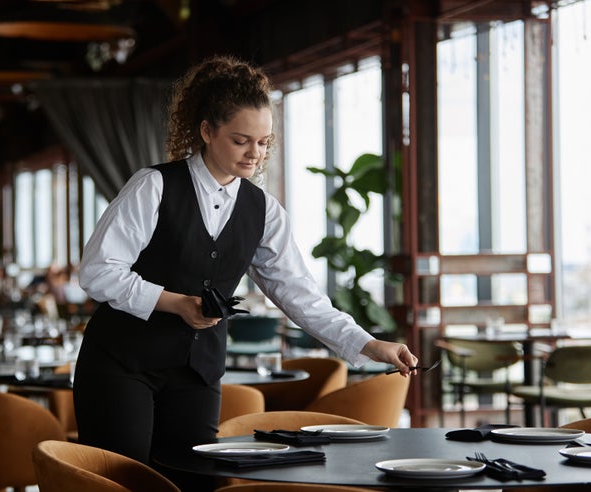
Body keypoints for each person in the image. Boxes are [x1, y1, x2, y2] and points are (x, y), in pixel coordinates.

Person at [72, 55, 418, 489]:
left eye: (264, 142)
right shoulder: (154, 186)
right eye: (241, 140)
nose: (255, 153)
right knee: (125, 483)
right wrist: (175, 302)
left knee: (198, 481)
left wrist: (369, 344)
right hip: (121, 365)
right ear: (206, 131)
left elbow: (299, 294)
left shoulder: (264, 211)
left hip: (196, 372)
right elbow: (98, 271)